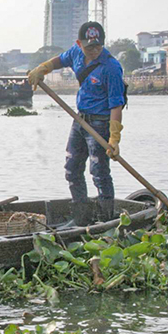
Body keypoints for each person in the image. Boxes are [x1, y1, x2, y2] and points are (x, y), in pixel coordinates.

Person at [27, 21, 125, 225]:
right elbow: (59, 61)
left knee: (99, 171)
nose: (95, 50)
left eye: (98, 45)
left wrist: (114, 138)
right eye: (90, 47)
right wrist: (42, 69)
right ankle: (81, 217)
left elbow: (117, 105)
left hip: (100, 124)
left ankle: (106, 217)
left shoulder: (111, 68)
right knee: (72, 168)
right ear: (79, 44)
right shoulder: (76, 53)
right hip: (80, 120)